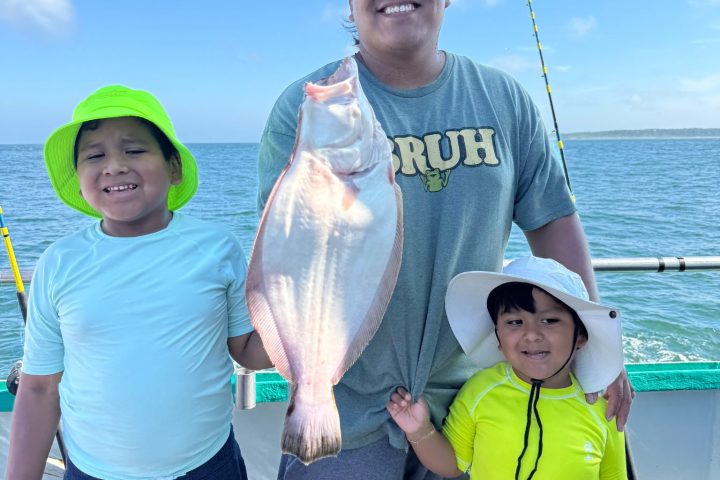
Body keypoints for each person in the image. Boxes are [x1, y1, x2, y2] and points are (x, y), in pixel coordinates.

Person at [258, 1, 632, 478]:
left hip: (475, 404)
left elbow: (552, 220)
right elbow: (286, 258)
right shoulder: (312, 103)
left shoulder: (502, 98)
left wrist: (599, 349)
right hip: (341, 408)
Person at [6, 85, 273, 480]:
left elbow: (252, 354)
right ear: (79, 179)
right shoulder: (59, 262)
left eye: (134, 150)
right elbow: (40, 389)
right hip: (92, 471)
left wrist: (303, 294)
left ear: (174, 167)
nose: (114, 166)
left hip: (208, 465)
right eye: (95, 155)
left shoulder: (217, 248)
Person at [387, 256, 627, 479]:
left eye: (549, 320)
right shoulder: (480, 390)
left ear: (581, 336)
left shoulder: (602, 409)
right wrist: (419, 430)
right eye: (515, 322)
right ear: (498, 339)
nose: (531, 334)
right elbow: (452, 465)